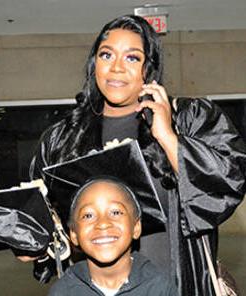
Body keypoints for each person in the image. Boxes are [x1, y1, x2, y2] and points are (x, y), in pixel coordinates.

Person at [27, 14, 246, 295]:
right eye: (107, 55)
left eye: (132, 58)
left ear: (148, 69)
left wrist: (168, 137)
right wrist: (32, 242)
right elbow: (48, 220)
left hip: (175, 284)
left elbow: (228, 183)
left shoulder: (188, 118)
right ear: (95, 64)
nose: (117, 68)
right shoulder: (63, 138)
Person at [48, 178, 177, 296]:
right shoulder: (62, 291)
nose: (103, 224)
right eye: (88, 215)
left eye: (115, 212)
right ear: (74, 234)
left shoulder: (162, 287)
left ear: (136, 227)